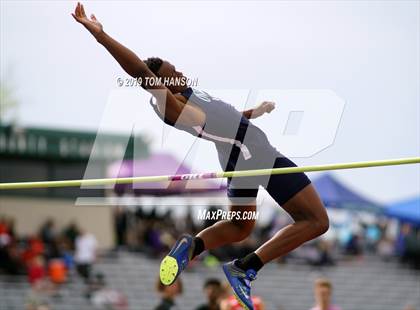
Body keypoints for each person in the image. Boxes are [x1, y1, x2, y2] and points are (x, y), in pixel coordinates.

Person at [72, 3, 329, 309]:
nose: (180, 73)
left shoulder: (193, 98)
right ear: (162, 85)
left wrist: (253, 113)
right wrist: (101, 36)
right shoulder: (176, 106)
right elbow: (141, 72)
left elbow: (226, 121)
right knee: (316, 221)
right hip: (256, 156)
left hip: (238, 158)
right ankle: (246, 267)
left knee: (240, 226)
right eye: (173, 74)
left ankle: (193, 245)